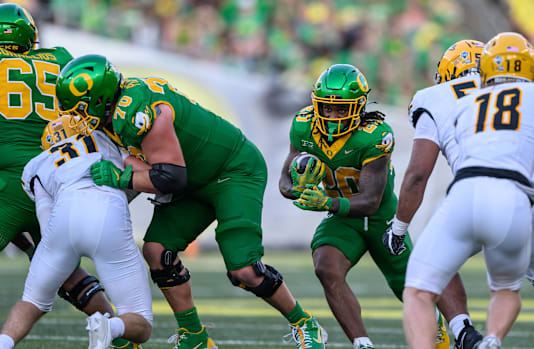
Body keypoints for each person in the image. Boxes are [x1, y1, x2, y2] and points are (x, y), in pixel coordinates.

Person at [54, 54, 327, 349]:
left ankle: (304, 323)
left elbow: (170, 177)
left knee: (244, 270)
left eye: (80, 109)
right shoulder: (116, 112)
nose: (77, 118)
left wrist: (121, 179)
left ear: (100, 99)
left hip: (232, 170)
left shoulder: (137, 111)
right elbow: (155, 169)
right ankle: (195, 336)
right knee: (157, 251)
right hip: (192, 176)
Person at [383, 39, 534, 349]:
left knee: (428, 277)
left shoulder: (453, 102)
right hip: (525, 194)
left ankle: (464, 331)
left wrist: (399, 228)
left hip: (468, 191)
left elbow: (418, 174)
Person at [278, 63, 471, 349]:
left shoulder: (374, 134)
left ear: (358, 107)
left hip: (382, 218)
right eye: (327, 108)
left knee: (410, 289)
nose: (332, 116)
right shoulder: (304, 124)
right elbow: (285, 180)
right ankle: (362, 343)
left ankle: (445, 330)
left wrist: (325, 202)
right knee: (326, 267)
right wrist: (299, 189)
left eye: (342, 109)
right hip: (342, 219)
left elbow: (370, 201)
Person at [0, 4, 141, 349]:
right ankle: (120, 337)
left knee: (50, 274)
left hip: (15, 181)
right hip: (59, 175)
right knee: (62, 270)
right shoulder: (60, 56)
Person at [0, 116, 153, 349]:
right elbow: (142, 177)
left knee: (32, 302)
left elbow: (45, 217)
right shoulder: (103, 139)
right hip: (107, 216)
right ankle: (110, 327)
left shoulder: (37, 163)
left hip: (61, 222)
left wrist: (48, 253)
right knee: (141, 323)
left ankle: (4, 342)